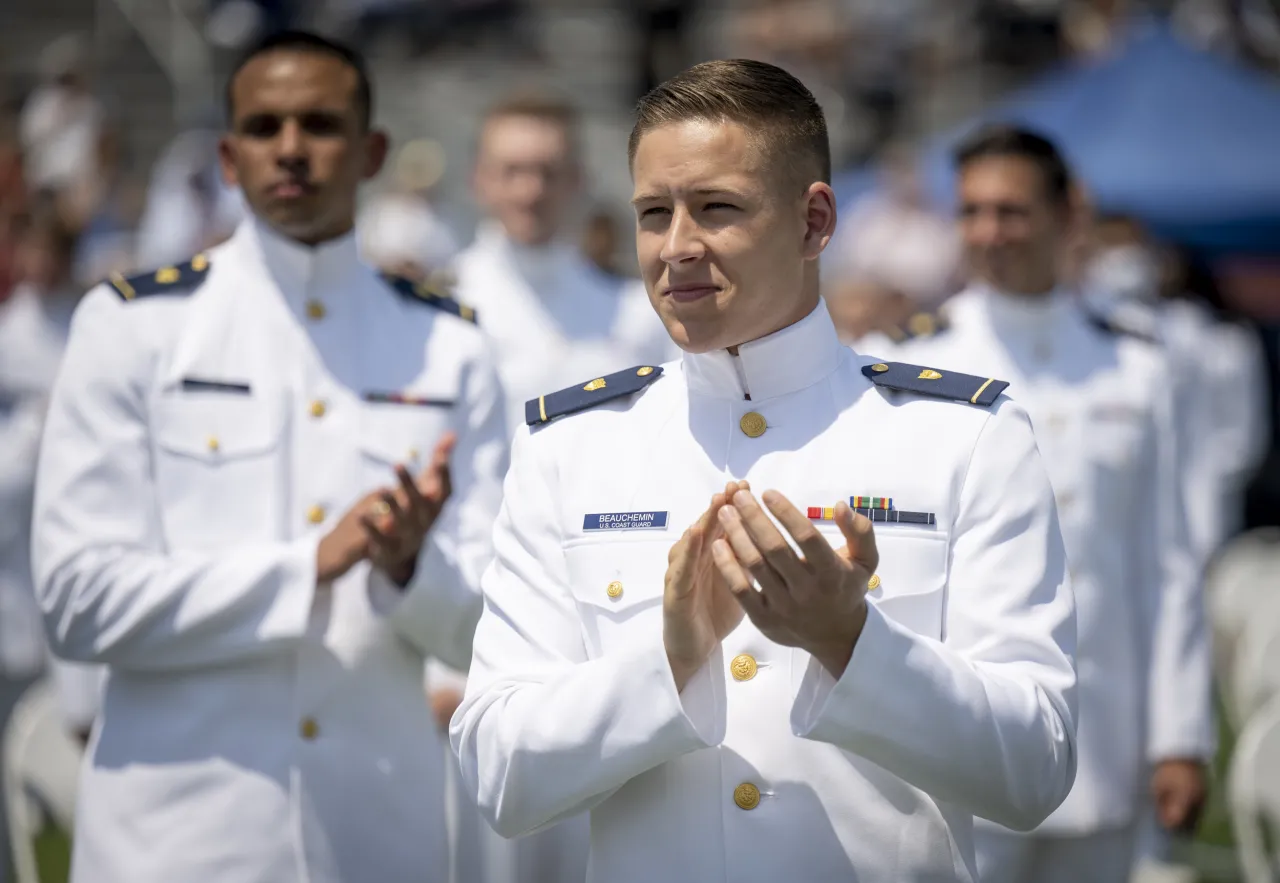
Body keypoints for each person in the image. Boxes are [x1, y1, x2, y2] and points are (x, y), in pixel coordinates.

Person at [451, 59, 1079, 883]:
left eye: (716, 208)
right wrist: (667, 663)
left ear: (815, 220)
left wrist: (851, 642)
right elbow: (497, 776)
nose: (676, 247)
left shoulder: (961, 437)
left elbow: (1034, 770)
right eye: (652, 212)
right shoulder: (572, 447)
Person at [30, 30, 508, 883]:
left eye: (319, 124)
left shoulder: (448, 346)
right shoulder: (134, 327)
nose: (290, 149)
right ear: (227, 153)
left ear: (371, 151)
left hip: (374, 834)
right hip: (176, 842)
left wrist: (406, 570)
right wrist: (307, 567)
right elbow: (76, 602)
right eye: (263, 126)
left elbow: (494, 626)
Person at [896, 126, 1214, 883]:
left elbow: (1169, 562)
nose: (988, 233)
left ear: (1071, 215)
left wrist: (1182, 734)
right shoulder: (911, 362)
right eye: (971, 212)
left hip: (1105, 737)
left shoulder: (1136, 365)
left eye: (1012, 211)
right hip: (962, 735)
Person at [452, 92, 676, 436]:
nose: (531, 192)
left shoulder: (638, 310)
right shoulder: (440, 307)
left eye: (548, 172)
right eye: (512, 171)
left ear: (578, 179)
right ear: (478, 179)